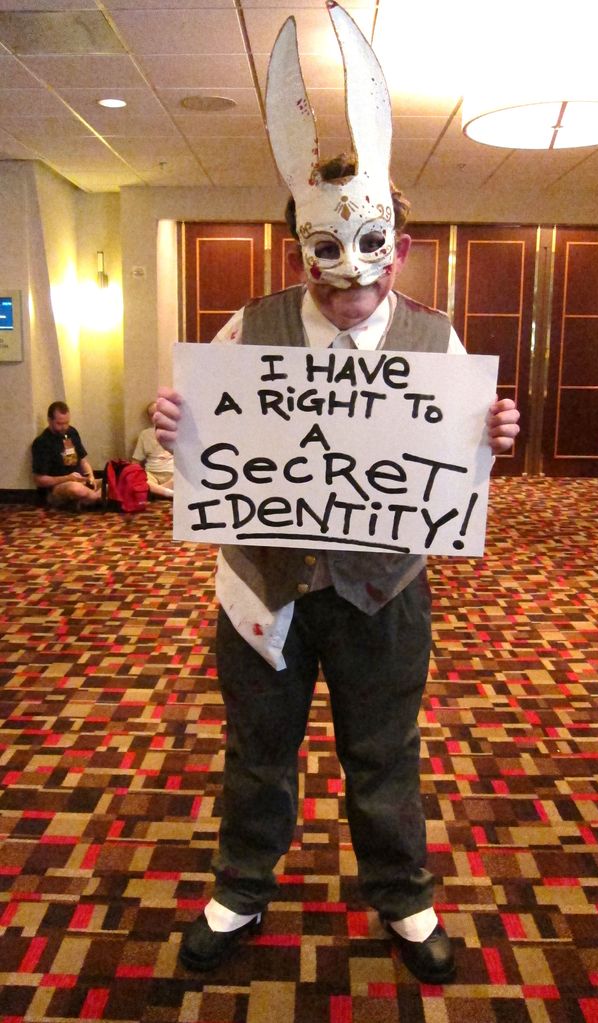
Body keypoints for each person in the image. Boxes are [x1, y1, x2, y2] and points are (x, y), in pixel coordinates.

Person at [155, 2, 519, 985]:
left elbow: (451, 479)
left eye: (368, 247)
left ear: (398, 246)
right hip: (263, 586)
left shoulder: (436, 341)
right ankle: (240, 888)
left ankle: (402, 898)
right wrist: (175, 432)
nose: (348, 272)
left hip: (382, 589)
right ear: (297, 249)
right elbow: (195, 464)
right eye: (324, 249)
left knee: (384, 751)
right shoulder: (249, 326)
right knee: (258, 750)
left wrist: (489, 444)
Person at [31, 400, 101, 509]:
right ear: (49, 420)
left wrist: (90, 477)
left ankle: (88, 500)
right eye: (59, 424)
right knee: (75, 489)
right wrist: (67, 478)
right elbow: (39, 480)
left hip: (79, 479)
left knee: (112, 482)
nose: (64, 427)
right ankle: (97, 498)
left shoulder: (71, 433)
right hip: (57, 487)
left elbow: (83, 461)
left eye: (66, 423)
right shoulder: (42, 442)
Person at [132, 400, 174, 498]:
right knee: (139, 480)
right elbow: (135, 461)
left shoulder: (176, 431)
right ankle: (167, 493)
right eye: (152, 414)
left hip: (172, 474)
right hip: (152, 474)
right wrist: (133, 475)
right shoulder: (145, 434)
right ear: (150, 418)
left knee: (180, 480)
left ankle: (156, 491)